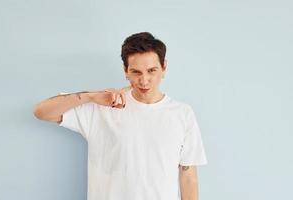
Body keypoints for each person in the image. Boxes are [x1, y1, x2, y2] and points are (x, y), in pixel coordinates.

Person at [33, 32, 208, 200]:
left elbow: (188, 175)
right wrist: (90, 96)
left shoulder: (182, 113)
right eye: (136, 72)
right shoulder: (103, 108)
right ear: (125, 70)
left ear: (164, 67)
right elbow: (42, 112)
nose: (144, 80)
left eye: (152, 70)